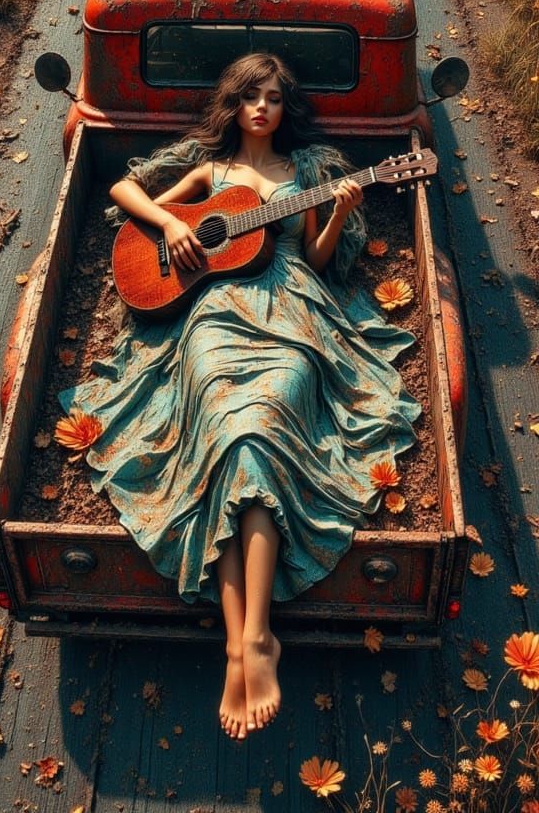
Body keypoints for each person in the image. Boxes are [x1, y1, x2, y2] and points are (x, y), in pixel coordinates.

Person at [59, 53, 421, 741]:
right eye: (251, 97)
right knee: (226, 427)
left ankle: (248, 639)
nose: (262, 108)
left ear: (287, 109)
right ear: (235, 104)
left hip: (290, 308)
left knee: (260, 429)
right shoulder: (210, 168)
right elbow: (126, 194)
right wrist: (172, 225)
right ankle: (247, 641)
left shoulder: (306, 173)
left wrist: (340, 213)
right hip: (212, 311)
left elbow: (316, 261)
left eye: (275, 98)